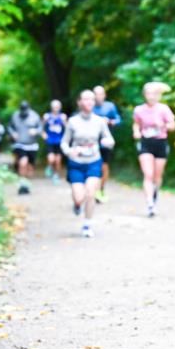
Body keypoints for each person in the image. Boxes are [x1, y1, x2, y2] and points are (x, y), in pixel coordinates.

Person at [61, 89, 115, 238]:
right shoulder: (72, 121)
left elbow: (110, 140)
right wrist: (69, 151)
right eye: (85, 99)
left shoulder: (99, 121)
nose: (89, 102)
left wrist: (107, 142)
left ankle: (87, 224)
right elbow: (64, 142)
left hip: (94, 161)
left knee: (90, 193)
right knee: (79, 197)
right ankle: (77, 205)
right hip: (76, 163)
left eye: (91, 99)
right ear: (79, 102)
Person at [132, 82, 175, 218]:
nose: (151, 96)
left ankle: (155, 193)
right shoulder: (139, 110)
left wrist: (163, 125)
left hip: (160, 142)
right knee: (148, 174)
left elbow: (173, 125)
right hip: (146, 143)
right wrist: (136, 132)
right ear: (145, 95)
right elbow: (136, 124)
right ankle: (150, 203)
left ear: (158, 95)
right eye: (148, 93)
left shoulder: (164, 109)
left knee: (157, 176)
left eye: (154, 94)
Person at [92, 85, 121, 203]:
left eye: (101, 94)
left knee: (104, 167)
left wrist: (111, 122)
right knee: (93, 167)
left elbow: (119, 119)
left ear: (104, 95)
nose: (98, 96)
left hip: (105, 143)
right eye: (96, 94)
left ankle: (101, 189)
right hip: (91, 143)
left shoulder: (110, 106)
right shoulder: (89, 107)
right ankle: (92, 190)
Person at [8, 100, 42, 195]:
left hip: (32, 145)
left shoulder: (35, 116)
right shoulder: (15, 115)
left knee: (30, 167)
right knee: (23, 162)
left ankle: (27, 184)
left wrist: (35, 131)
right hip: (20, 144)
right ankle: (22, 184)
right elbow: (10, 127)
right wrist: (13, 133)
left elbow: (40, 128)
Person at [42, 99, 68, 183]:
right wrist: (43, 134)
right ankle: (49, 167)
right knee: (51, 159)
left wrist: (64, 122)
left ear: (60, 107)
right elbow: (41, 126)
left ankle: (56, 175)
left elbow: (68, 128)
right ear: (51, 107)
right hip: (50, 141)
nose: (55, 108)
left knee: (58, 160)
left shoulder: (63, 116)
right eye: (54, 107)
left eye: (57, 107)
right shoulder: (47, 116)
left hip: (60, 141)